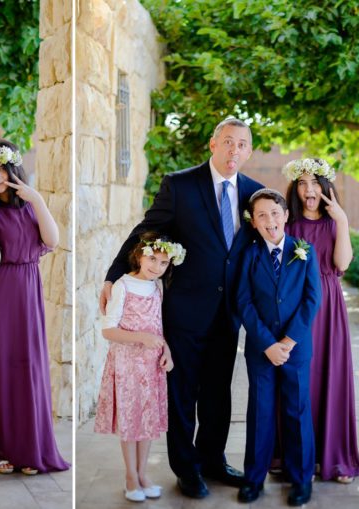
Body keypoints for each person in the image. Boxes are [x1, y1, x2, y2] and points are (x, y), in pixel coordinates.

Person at [100, 117, 264, 498]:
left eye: (242, 144)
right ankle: (186, 468)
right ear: (213, 144)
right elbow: (146, 231)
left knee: (217, 392)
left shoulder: (254, 194)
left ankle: (212, 460)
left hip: (228, 312)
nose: (234, 150)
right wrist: (112, 274)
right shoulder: (181, 184)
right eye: (228, 142)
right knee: (182, 392)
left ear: (249, 151)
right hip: (184, 309)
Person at [0, 139, 69, 475]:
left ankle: (27, 449)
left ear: (13, 167)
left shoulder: (31, 204)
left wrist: (37, 199)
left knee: (27, 367)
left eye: (1, 168)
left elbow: (52, 241)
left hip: (27, 290)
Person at [283, 158, 359, 483]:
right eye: (303, 184)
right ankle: (297, 455)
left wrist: (342, 222)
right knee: (299, 381)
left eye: (315, 183)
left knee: (330, 376)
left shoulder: (335, 224)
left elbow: (342, 264)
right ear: (296, 189)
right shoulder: (288, 225)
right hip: (296, 309)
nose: (309, 190)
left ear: (325, 187)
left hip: (329, 307)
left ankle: (334, 458)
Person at [236, 188, 320, 506]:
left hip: (295, 348)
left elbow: (312, 301)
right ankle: (253, 479)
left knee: (296, 411)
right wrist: (267, 343)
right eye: (261, 215)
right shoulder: (249, 255)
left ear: (285, 215)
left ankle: (300, 480)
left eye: (274, 213)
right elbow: (243, 302)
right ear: (254, 222)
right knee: (260, 412)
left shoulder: (304, 252)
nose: (269, 220)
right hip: (261, 349)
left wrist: (286, 341)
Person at [95, 232, 180, 501]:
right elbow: (109, 330)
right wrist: (142, 339)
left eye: (164, 263)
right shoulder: (123, 286)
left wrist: (166, 350)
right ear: (139, 255)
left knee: (148, 420)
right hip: (128, 365)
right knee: (132, 422)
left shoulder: (158, 287)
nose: (157, 267)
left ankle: (144, 474)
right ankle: (130, 476)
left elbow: (158, 326)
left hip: (151, 366)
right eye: (152, 259)